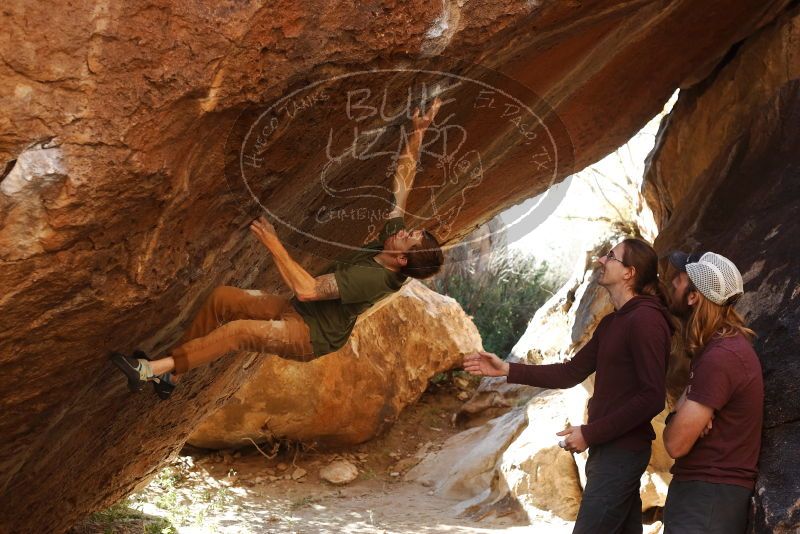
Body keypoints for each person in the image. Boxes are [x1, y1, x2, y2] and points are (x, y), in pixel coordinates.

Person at [111, 98, 445, 399]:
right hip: (299, 314)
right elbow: (402, 186)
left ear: (402, 259)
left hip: (309, 335)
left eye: (410, 237)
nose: (406, 231)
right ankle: (172, 374)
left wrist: (273, 242)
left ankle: (148, 371)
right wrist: (418, 133)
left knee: (238, 332)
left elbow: (308, 290)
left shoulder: (375, 279)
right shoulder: (393, 243)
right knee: (223, 299)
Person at [463, 239, 674, 534]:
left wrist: (590, 432)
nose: (601, 260)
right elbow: (570, 373)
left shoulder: (647, 319)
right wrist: (506, 369)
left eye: (611, 257)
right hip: (607, 451)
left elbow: (652, 397)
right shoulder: (613, 322)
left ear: (629, 272)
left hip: (622, 453)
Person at [662, 251, 762, 533]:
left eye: (679, 279)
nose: (672, 284)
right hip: (704, 497)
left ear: (694, 296)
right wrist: (682, 413)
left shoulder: (722, 356)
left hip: (707, 502)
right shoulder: (716, 349)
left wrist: (676, 420)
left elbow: (675, 444)